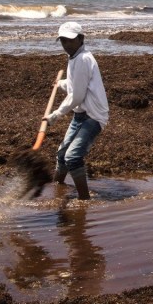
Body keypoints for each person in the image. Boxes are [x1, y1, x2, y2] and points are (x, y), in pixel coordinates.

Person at [44, 22, 109, 200]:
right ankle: (56, 187)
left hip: (93, 116)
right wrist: (62, 83)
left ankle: (84, 199)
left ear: (81, 39)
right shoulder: (74, 57)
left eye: (70, 40)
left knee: (72, 157)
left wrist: (56, 114)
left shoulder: (83, 59)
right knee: (62, 154)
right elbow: (76, 84)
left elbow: (77, 96)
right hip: (81, 114)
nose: (66, 45)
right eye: (63, 40)